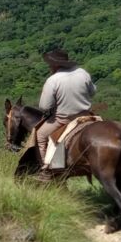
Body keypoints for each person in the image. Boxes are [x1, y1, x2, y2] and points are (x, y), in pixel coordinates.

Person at [35, 48, 95, 181]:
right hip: (86, 115)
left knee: (40, 135)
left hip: (64, 119)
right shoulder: (82, 73)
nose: (49, 66)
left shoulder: (53, 80)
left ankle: (47, 169)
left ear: (55, 65)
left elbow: (44, 106)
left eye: (50, 64)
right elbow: (92, 92)